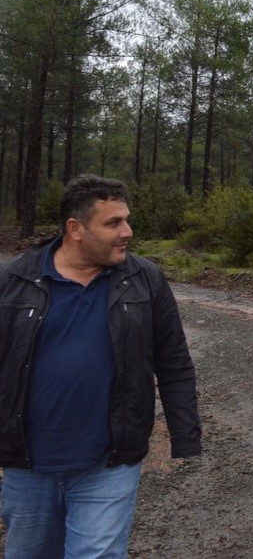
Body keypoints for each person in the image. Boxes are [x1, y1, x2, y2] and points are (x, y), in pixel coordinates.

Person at [0, 174, 202, 558]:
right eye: (113, 223)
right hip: (27, 463)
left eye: (126, 219)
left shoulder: (145, 279)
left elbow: (174, 362)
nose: (126, 231)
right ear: (75, 228)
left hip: (109, 461)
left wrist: (185, 437)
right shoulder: (12, 279)